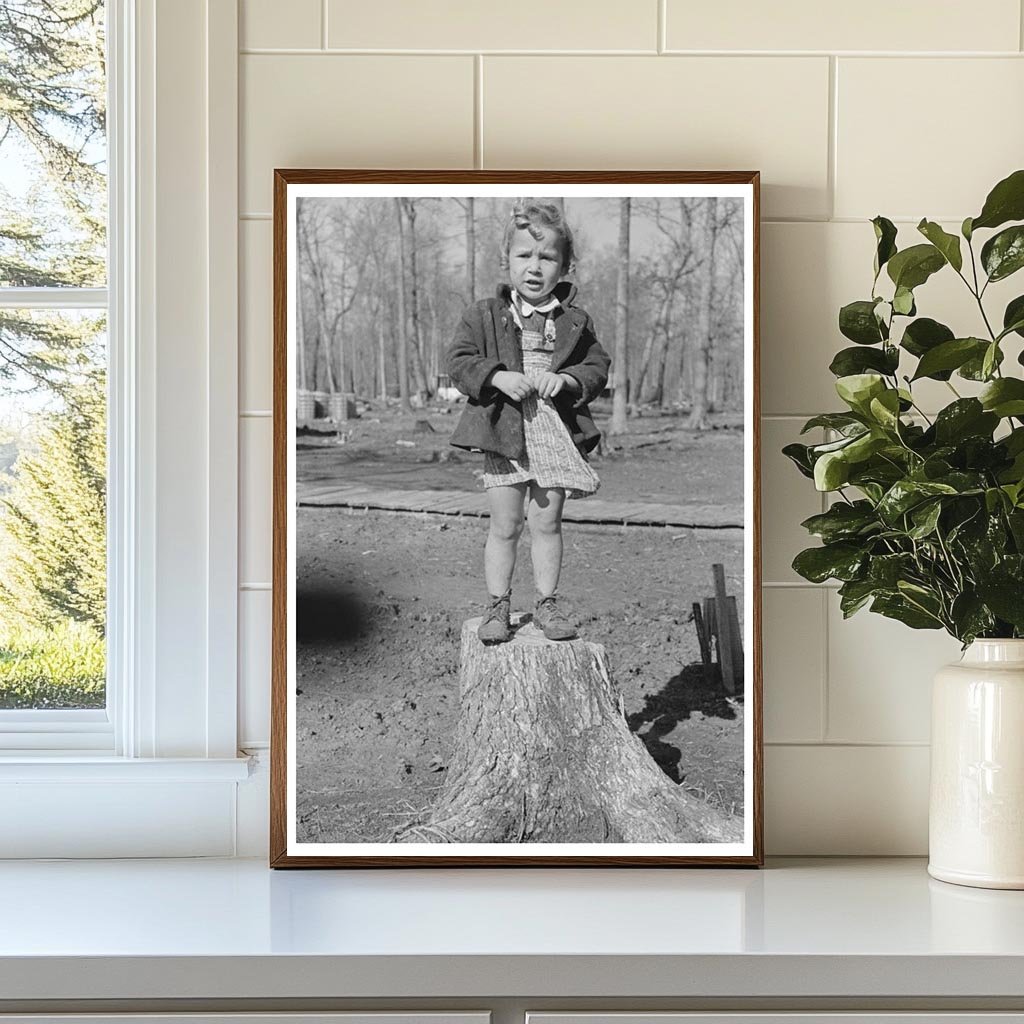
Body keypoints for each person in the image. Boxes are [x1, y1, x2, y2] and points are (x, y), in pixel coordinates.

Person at [446, 200, 610, 645]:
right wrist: (496, 376)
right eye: (524, 255)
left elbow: (597, 367)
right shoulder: (484, 314)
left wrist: (567, 379)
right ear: (507, 261)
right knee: (505, 523)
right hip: (504, 431)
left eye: (547, 257)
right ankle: (498, 603)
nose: (534, 267)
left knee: (547, 521)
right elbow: (458, 361)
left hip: (553, 432)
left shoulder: (574, 321)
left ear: (565, 265)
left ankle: (547, 603)